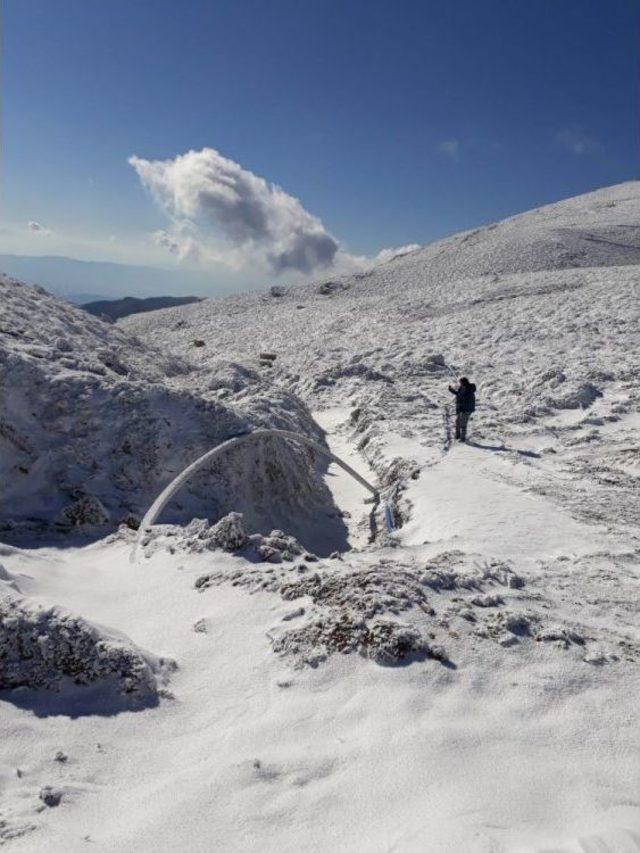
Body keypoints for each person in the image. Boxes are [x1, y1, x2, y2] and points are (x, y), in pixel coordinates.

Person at [448, 376, 476, 442]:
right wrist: (451, 390)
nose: (460, 383)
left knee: (463, 423)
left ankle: (462, 438)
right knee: (457, 422)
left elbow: (464, 398)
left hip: (467, 409)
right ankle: (458, 436)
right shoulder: (462, 388)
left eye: (461, 382)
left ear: (465, 382)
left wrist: (461, 406)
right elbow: (459, 394)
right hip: (461, 408)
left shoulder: (469, 389)